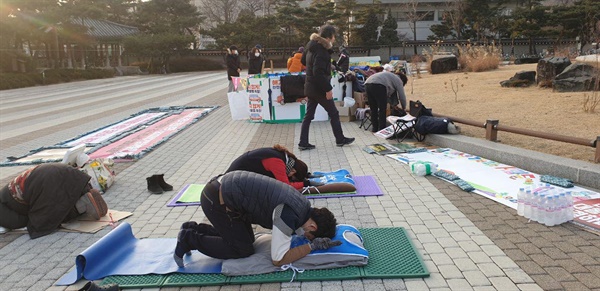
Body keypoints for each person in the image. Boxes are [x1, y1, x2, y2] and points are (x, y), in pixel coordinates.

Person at [174, 170, 340, 267]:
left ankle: (194, 228)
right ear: (312, 227)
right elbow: (278, 259)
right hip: (216, 200)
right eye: (310, 236)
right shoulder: (288, 215)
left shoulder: (303, 205)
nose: (305, 238)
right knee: (242, 249)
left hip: (224, 191)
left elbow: (295, 228)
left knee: (246, 239)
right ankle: (189, 239)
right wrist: (311, 247)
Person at [0, 163, 108, 239]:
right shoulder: (5, 193)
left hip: (47, 183)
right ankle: (85, 194)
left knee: (43, 220)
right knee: (66, 193)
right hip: (63, 171)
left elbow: (21, 221)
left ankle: (82, 205)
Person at [298, 24, 354, 150]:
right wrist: (328, 89)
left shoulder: (310, 45)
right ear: (329, 37)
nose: (334, 39)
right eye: (333, 37)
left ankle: (303, 142)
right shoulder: (322, 51)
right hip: (319, 88)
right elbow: (318, 73)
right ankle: (340, 139)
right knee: (334, 113)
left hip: (310, 86)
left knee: (308, 116)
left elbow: (303, 61)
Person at [225, 144, 323, 190]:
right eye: (293, 178)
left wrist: (307, 175)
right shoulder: (277, 163)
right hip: (231, 180)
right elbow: (286, 186)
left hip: (239, 174)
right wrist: (306, 183)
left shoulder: (287, 159)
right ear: (293, 171)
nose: (291, 179)